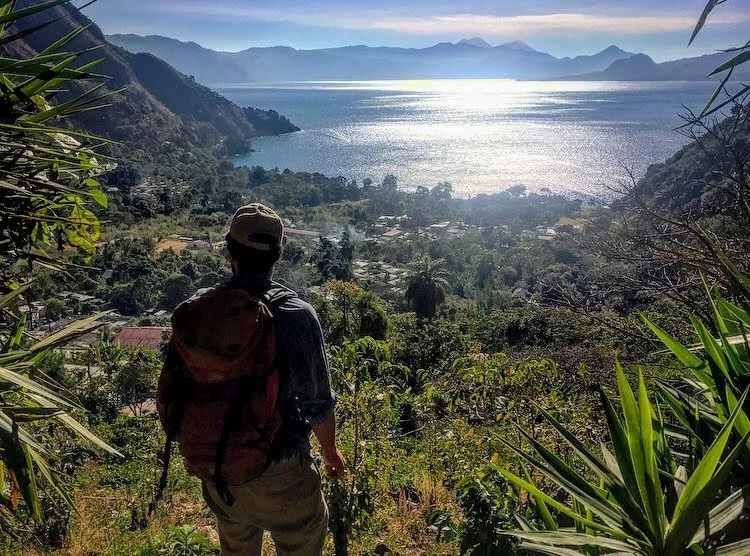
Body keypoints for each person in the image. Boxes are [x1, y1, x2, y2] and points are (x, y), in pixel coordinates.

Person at [157, 203, 345, 556]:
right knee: (303, 538)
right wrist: (331, 452)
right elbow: (317, 402)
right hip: (281, 472)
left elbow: (173, 392)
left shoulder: (201, 312)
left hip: (220, 471)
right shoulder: (295, 316)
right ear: (278, 254)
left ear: (231, 252)